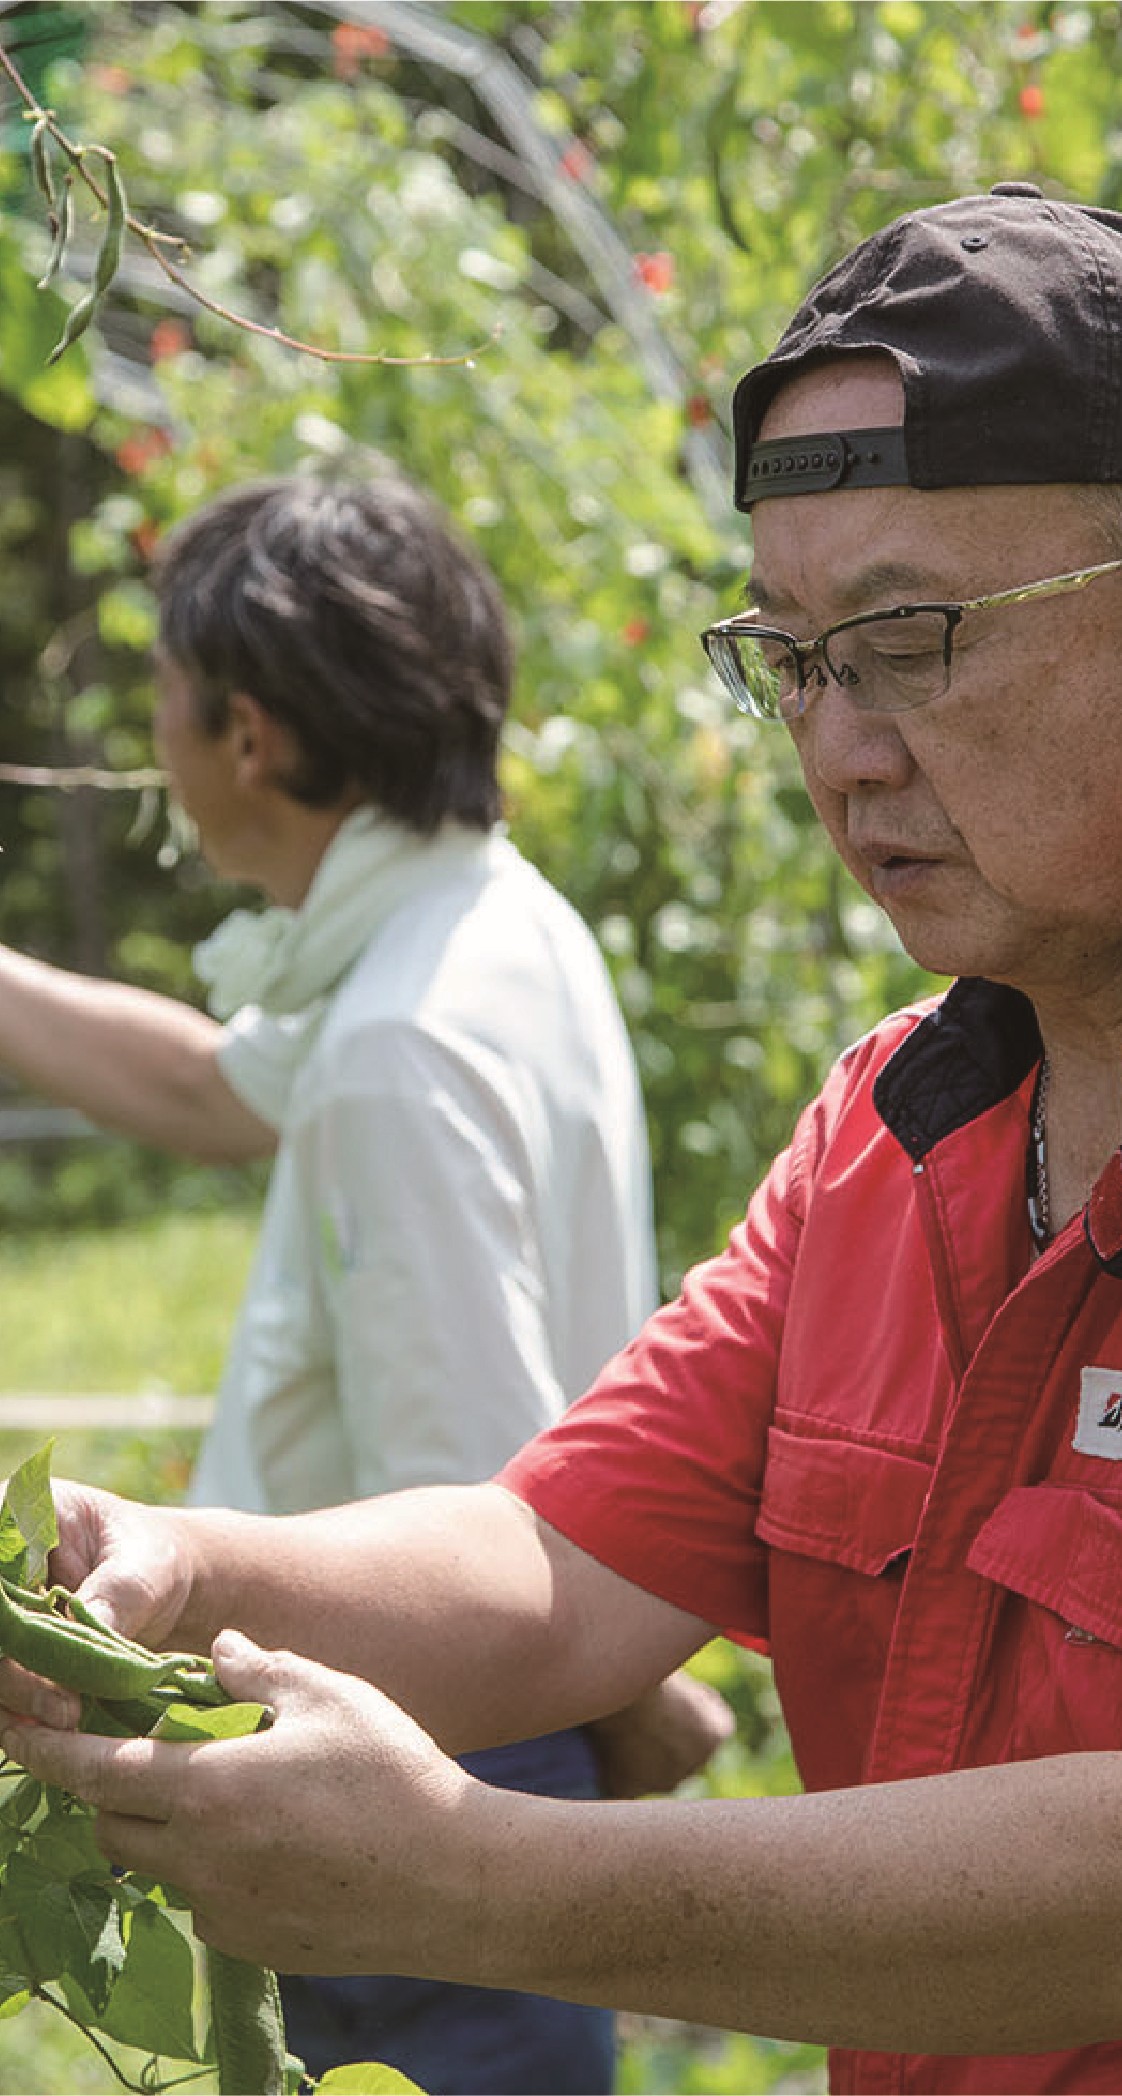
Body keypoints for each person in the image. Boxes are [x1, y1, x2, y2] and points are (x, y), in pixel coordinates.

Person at [9, 180, 1122, 2095]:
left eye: (910, 634)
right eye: (789, 656)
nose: (838, 751)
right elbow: (560, 1555)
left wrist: (473, 1876)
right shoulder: (889, 1136)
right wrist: (187, 1567)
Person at [0, 470, 731, 2095]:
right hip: (473, 1738)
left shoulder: (399, 1045)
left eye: (168, 709)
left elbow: (470, 1498)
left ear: (246, 738)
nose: (162, 752)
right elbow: (218, 1087)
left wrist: (617, 1708)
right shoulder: (490, 925)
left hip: (403, 1754)